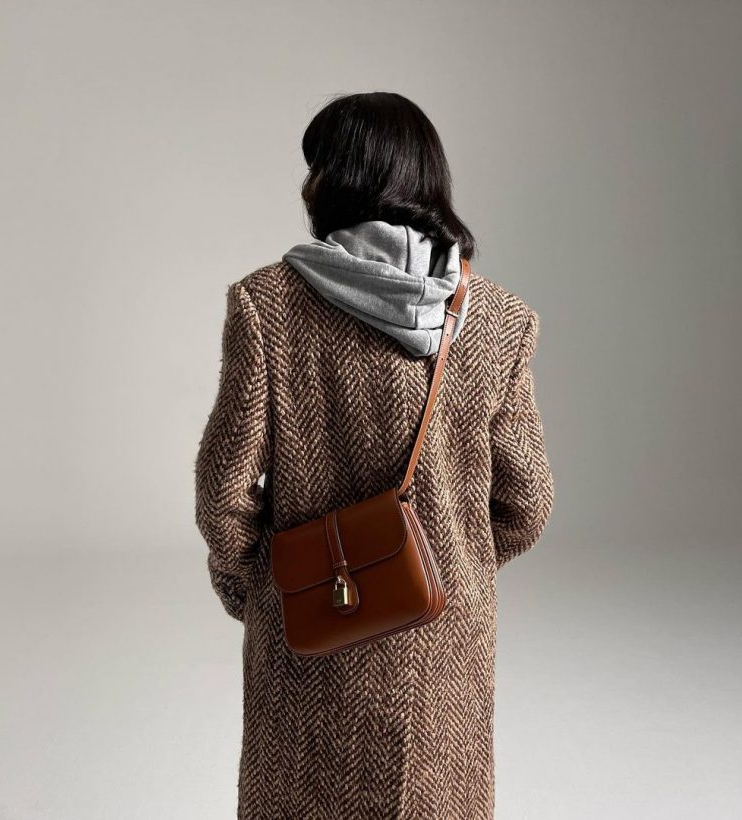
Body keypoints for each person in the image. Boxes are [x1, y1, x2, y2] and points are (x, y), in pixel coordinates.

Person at [194, 91, 554, 819]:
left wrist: (261, 588)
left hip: (310, 624)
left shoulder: (267, 306)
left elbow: (223, 492)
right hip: (443, 638)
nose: (306, 185)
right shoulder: (500, 321)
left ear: (337, 180)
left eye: (315, 167)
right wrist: (445, 565)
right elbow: (528, 504)